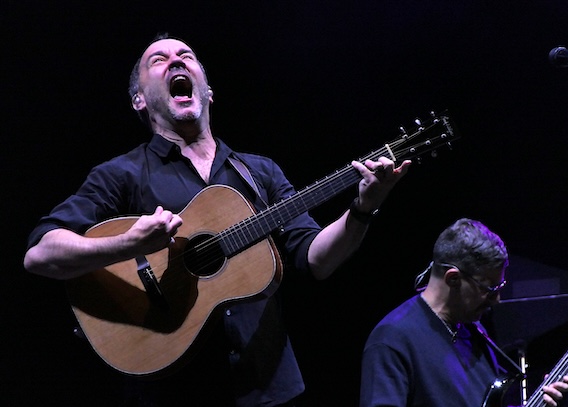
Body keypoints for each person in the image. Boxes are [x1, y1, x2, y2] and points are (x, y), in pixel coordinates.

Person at [23, 34, 411, 407]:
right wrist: (128, 244)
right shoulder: (120, 175)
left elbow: (316, 260)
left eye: (186, 56)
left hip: (268, 389)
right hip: (174, 394)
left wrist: (363, 209)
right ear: (139, 100)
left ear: (208, 91)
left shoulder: (259, 172)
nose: (176, 61)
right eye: (158, 60)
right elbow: (40, 254)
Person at [359, 218, 568, 407]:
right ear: (453, 279)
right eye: (489, 288)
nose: (497, 299)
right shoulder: (393, 339)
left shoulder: (473, 330)